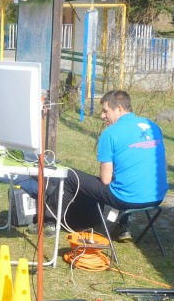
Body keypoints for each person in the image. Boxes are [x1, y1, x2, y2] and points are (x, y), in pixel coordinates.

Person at [59, 89, 167, 236]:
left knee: (69, 175)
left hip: (126, 199)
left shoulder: (110, 133)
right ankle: (122, 227)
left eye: (105, 111)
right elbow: (161, 163)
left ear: (119, 109)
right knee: (124, 181)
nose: (102, 115)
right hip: (157, 197)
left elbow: (105, 180)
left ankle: (55, 223)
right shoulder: (153, 126)